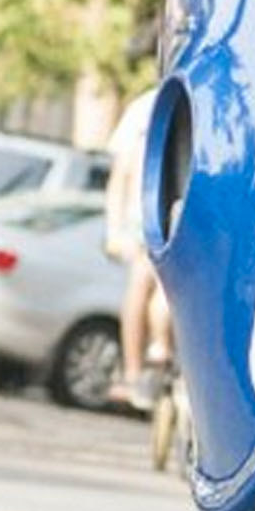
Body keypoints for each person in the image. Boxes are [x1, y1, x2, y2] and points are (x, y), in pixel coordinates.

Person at [101, 85, 164, 407]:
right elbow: (121, 176)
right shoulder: (144, 108)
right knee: (145, 280)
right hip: (148, 215)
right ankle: (138, 368)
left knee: (150, 283)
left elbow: (120, 177)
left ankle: (148, 362)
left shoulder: (146, 105)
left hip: (162, 213)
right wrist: (114, 230)